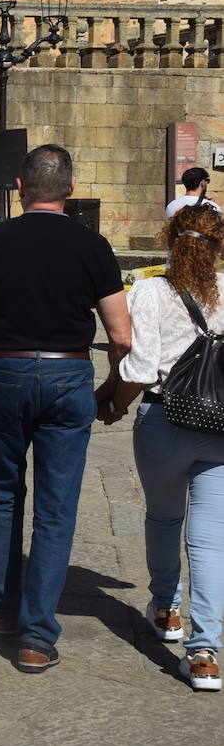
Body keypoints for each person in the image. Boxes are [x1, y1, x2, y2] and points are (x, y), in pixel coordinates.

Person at [0, 144, 131, 673]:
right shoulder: (93, 246)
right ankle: (37, 637)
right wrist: (110, 387)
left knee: (2, 494)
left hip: (4, 372)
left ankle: (2, 611)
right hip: (68, 375)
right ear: (70, 189)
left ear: (19, 188)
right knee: (56, 509)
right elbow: (121, 335)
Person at [99, 205, 224, 692]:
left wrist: (115, 404)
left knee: (164, 517)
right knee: (210, 540)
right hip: (219, 427)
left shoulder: (151, 291)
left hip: (163, 419)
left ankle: (167, 610)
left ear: (170, 240)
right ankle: (205, 653)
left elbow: (141, 366)